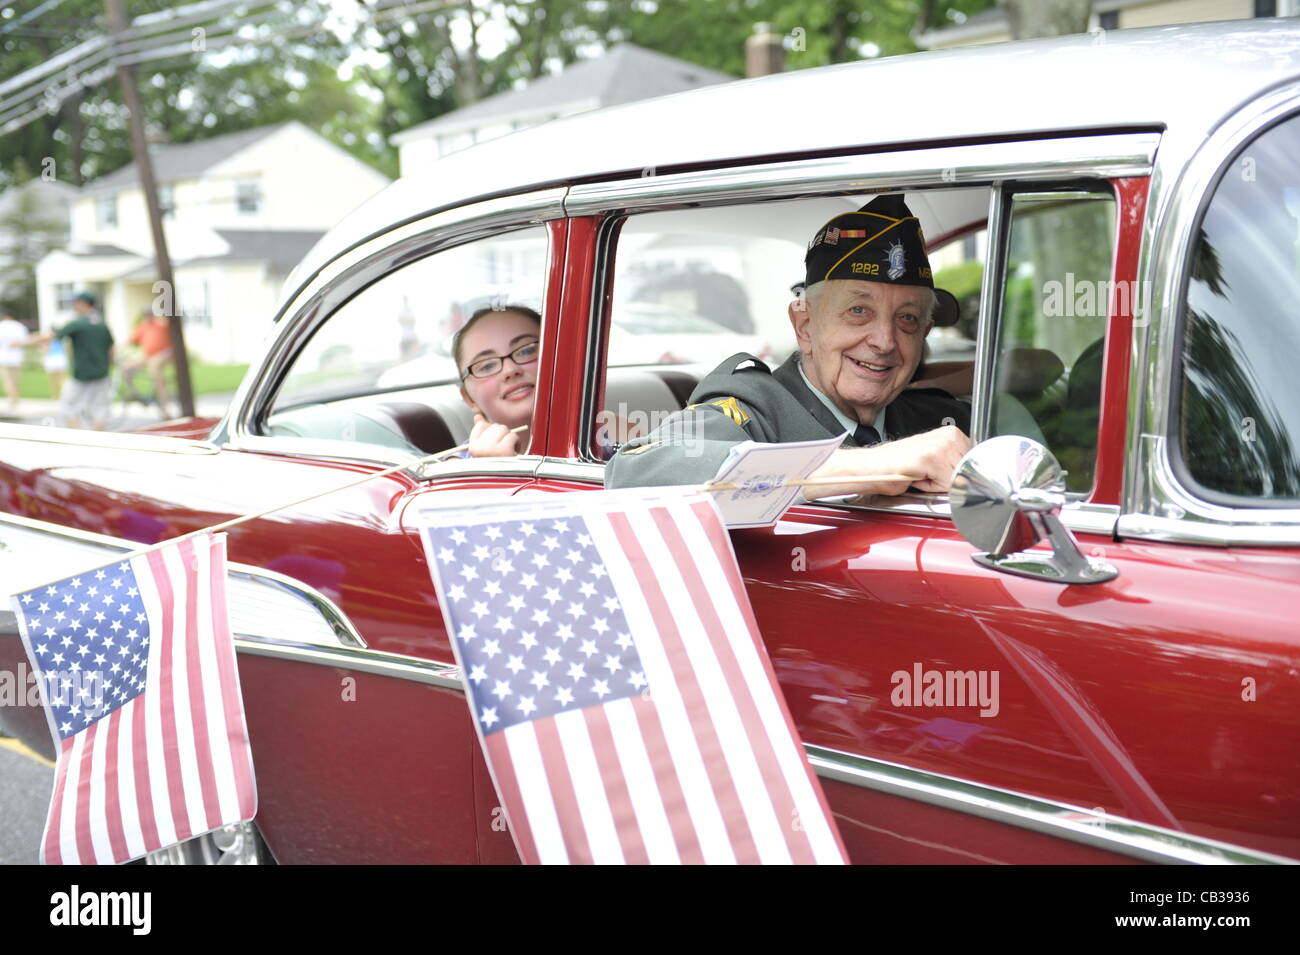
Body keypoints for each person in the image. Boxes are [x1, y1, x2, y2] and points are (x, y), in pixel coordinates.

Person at [606, 194, 973, 497]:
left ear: (924, 333)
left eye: (907, 318)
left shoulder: (939, 421)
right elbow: (636, 472)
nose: (884, 341)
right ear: (805, 326)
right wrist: (874, 465)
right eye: (858, 310)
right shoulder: (755, 407)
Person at [454, 304, 542, 458]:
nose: (510, 370)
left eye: (527, 350)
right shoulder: (459, 471)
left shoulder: (597, 437)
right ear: (469, 399)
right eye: (487, 366)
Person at [29, 291, 115, 430]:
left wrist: (24, 342)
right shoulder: (102, 324)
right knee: (100, 408)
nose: (74, 306)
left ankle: (78, 439)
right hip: (101, 373)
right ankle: (98, 441)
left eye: (75, 303)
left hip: (81, 374)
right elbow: (110, 349)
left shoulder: (78, 324)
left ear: (82, 304)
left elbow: (52, 336)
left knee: (68, 406)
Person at [122, 310, 174, 417]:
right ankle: (134, 393)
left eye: (149, 316)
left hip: (162, 355)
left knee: (157, 375)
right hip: (147, 356)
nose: (148, 318)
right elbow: (130, 341)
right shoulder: (143, 327)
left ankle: (166, 409)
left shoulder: (162, 325)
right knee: (126, 367)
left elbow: (173, 339)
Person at [0, 311, 29, 410]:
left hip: (4, 357)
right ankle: (15, 398)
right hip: (17, 357)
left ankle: (12, 399)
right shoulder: (19, 326)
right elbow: (24, 341)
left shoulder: (2, 326)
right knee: (15, 380)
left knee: (8, 380)